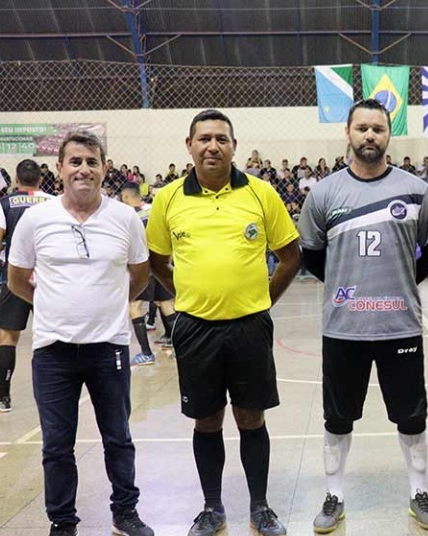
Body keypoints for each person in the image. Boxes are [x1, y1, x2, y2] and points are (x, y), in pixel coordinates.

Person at [146, 109, 300, 536]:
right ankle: (212, 508)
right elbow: (157, 260)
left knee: (251, 417)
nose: (213, 146)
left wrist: (263, 299)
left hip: (250, 327)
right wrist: (186, 293)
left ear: (233, 145)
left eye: (221, 138)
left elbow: (291, 256)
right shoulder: (168, 199)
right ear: (190, 146)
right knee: (206, 419)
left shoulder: (261, 193)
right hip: (195, 328)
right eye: (204, 138)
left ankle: (261, 507)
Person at [297, 99, 428, 533]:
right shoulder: (323, 193)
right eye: (361, 128)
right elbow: (311, 255)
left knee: (411, 415)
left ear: (388, 134)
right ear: (347, 132)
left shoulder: (417, 191)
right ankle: (334, 494)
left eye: (377, 129)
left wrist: (394, 285)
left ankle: (418, 490)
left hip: (400, 325)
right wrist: (350, 288)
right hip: (344, 328)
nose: (369, 136)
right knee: (337, 418)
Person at [6, 132, 153, 536]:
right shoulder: (37, 219)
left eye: (91, 161)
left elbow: (139, 276)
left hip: (109, 348)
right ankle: (63, 521)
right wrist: (53, 304)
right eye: (75, 162)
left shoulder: (124, 218)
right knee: (56, 444)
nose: (83, 169)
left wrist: (104, 303)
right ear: (60, 169)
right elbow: (17, 279)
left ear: (104, 168)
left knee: (118, 437)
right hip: (53, 351)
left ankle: (125, 512)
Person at [0, 160, 56, 411]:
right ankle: (54, 395)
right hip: (48, 278)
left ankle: (4, 398)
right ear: (41, 179)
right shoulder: (53, 202)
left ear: (16, 179)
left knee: (8, 337)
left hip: (16, 277)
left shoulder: (5, 203)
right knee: (53, 337)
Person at [119, 182, 175, 366]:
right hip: (161, 263)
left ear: (126, 197)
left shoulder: (128, 215)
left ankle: (146, 353)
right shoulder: (153, 209)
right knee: (166, 304)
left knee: (134, 308)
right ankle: (180, 348)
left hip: (143, 267)